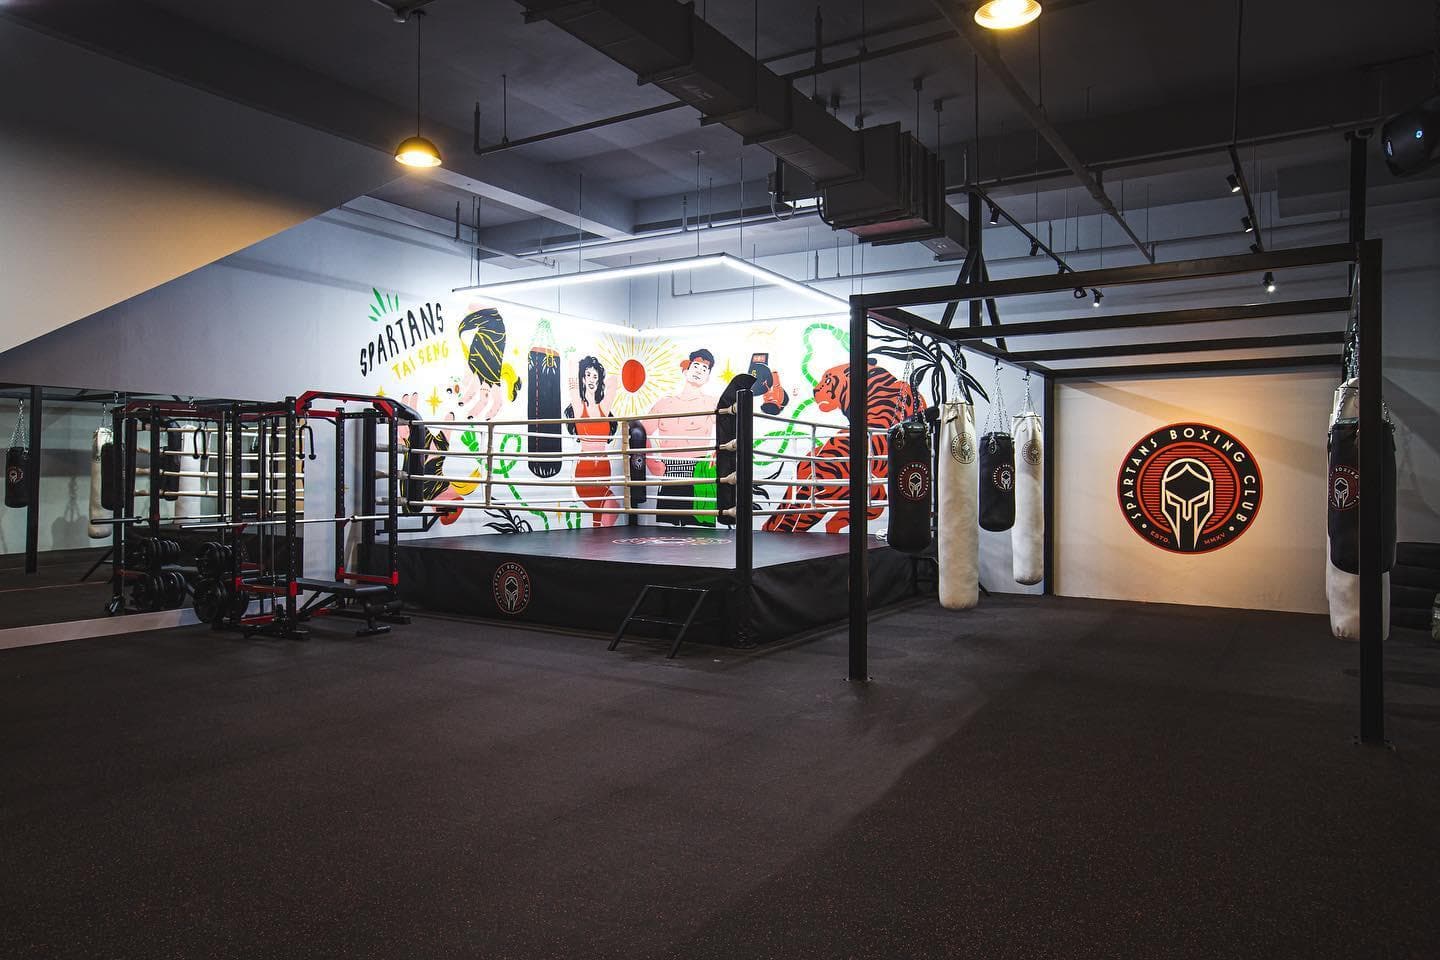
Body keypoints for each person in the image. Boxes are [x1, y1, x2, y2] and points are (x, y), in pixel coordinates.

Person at [642, 348, 717, 526]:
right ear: (685, 370)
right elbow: (641, 432)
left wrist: (717, 455)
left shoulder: (711, 403)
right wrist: (652, 463)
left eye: (704, 369)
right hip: (669, 473)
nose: (699, 371)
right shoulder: (664, 403)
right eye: (696, 366)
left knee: (701, 534)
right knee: (666, 532)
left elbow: (730, 431)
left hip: (699, 473)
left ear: (708, 376)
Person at [564, 356, 622, 527]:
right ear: (582, 379)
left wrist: (605, 380)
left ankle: (597, 535)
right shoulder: (579, 407)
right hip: (585, 469)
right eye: (588, 375)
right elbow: (573, 386)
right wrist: (573, 364)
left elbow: (614, 384)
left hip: (604, 468)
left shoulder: (603, 408)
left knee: (605, 510)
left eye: (595, 376)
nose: (591, 379)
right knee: (608, 506)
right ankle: (598, 536)